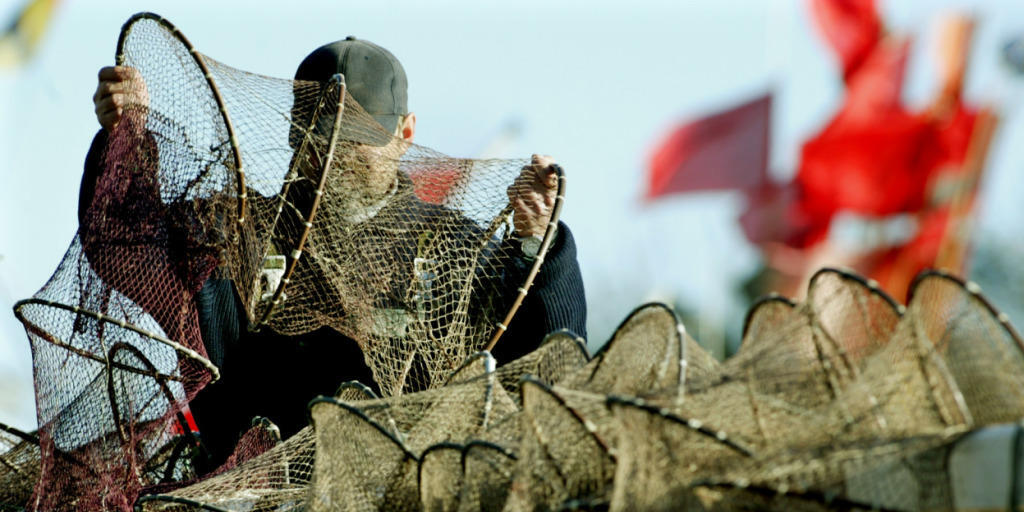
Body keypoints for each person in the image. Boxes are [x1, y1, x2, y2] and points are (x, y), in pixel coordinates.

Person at [85, 36, 586, 470]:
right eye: (321, 136)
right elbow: (123, 247)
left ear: (405, 134)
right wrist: (124, 140)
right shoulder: (234, 229)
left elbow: (549, 361)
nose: (335, 156)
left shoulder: (455, 246)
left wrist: (536, 244)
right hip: (249, 490)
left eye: (358, 138)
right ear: (292, 134)